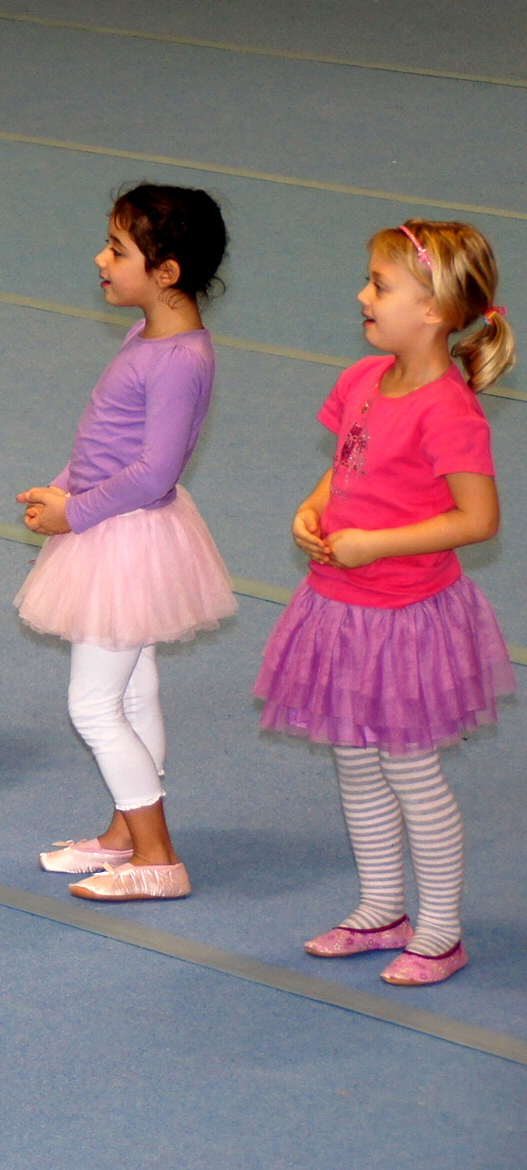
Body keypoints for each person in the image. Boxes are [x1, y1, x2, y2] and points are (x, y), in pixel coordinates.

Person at [256, 220, 514, 986]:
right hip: (340, 607)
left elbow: (479, 518)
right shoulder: (363, 380)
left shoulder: (448, 409)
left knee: (411, 772)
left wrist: (378, 544)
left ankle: (441, 933)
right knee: (356, 762)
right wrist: (312, 509)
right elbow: (345, 466)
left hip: (404, 619)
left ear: (432, 310)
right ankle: (381, 909)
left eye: (379, 285)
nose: (362, 295)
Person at [15, 186, 236, 900]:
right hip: (114, 527)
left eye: (117, 250)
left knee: (93, 705)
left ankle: (158, 857)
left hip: (124, 538)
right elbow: (107, 442)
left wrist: (74, 512)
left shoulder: (177, 359)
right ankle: (125, 835)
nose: (100, 259)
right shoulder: (149, 333)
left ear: (165, 271)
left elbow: (155, 471)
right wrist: (62, 488)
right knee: (134, 691)